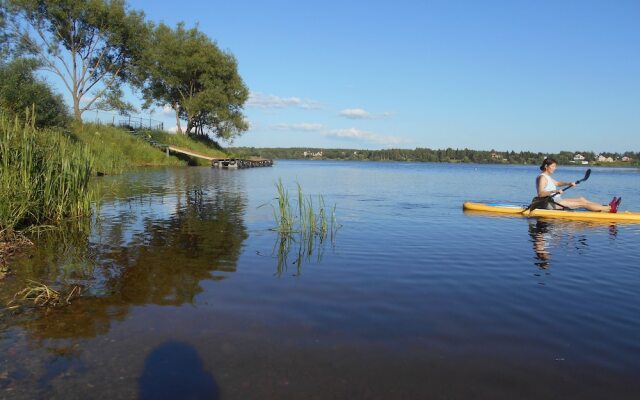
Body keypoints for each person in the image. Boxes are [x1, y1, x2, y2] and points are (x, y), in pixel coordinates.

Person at [535, 158, 621, 212]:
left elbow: (557, 183)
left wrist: (569, 183)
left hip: (556, 200)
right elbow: (541, 193)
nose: (555, 168)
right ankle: (610, 209)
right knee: (582, 204)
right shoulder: (542, 178)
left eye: (555, 166)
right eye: (553, 166)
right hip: (550, 204)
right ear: (546, 166)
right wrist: (555, 191)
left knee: (581, 199)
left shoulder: (547, 177)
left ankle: (605, 206)